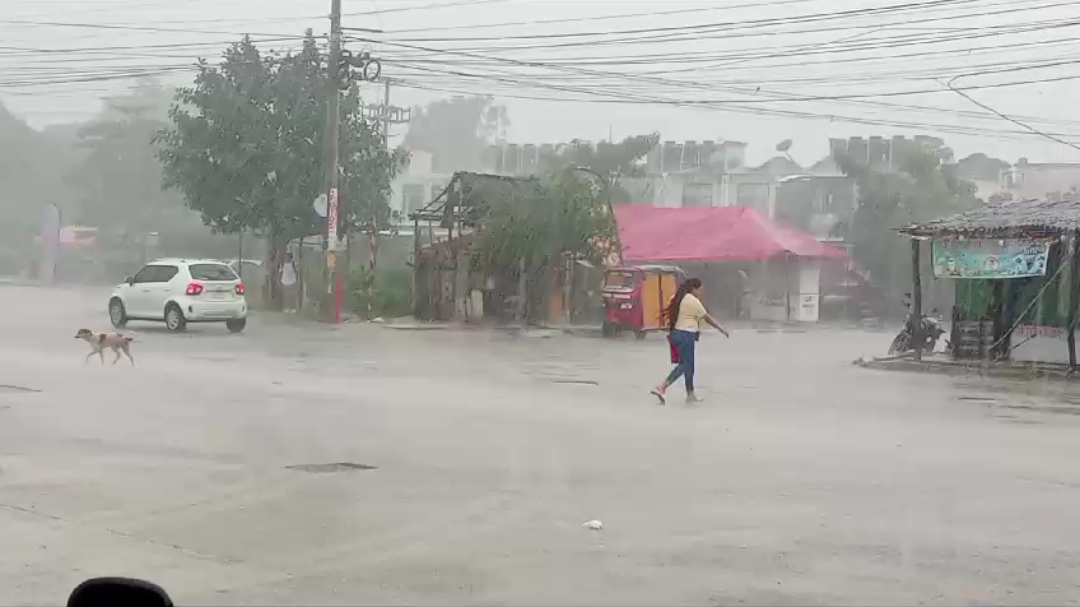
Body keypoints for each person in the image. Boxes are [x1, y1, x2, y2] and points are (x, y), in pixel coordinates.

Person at [651, 277, 729, 404]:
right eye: (701, 290)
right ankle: (662, 387)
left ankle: (690, 394)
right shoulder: (692, 301)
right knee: (684, 365)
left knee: (689, 367)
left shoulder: (679, 297)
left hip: (678, 334)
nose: (702, 293)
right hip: (686, 335)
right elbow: (707, 317)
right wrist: (721, 328)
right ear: (694, 288)